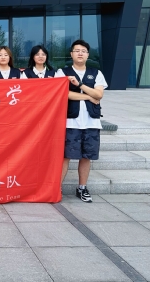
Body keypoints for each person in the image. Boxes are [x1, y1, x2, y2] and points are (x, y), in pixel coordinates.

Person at [56, 39, 107, 203]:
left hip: (91, 122)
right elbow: (64, 94)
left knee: (86, 156)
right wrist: (88, 96)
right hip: (70, 121)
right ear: (71, 54)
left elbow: (99, 94)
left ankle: (82, 188)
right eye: (77, 50)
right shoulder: (62, 72)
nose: (80, 53)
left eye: (83, 51)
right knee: (66, 156)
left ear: (87, 55)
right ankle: (57, 188)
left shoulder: (96, 73)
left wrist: (80, 84)